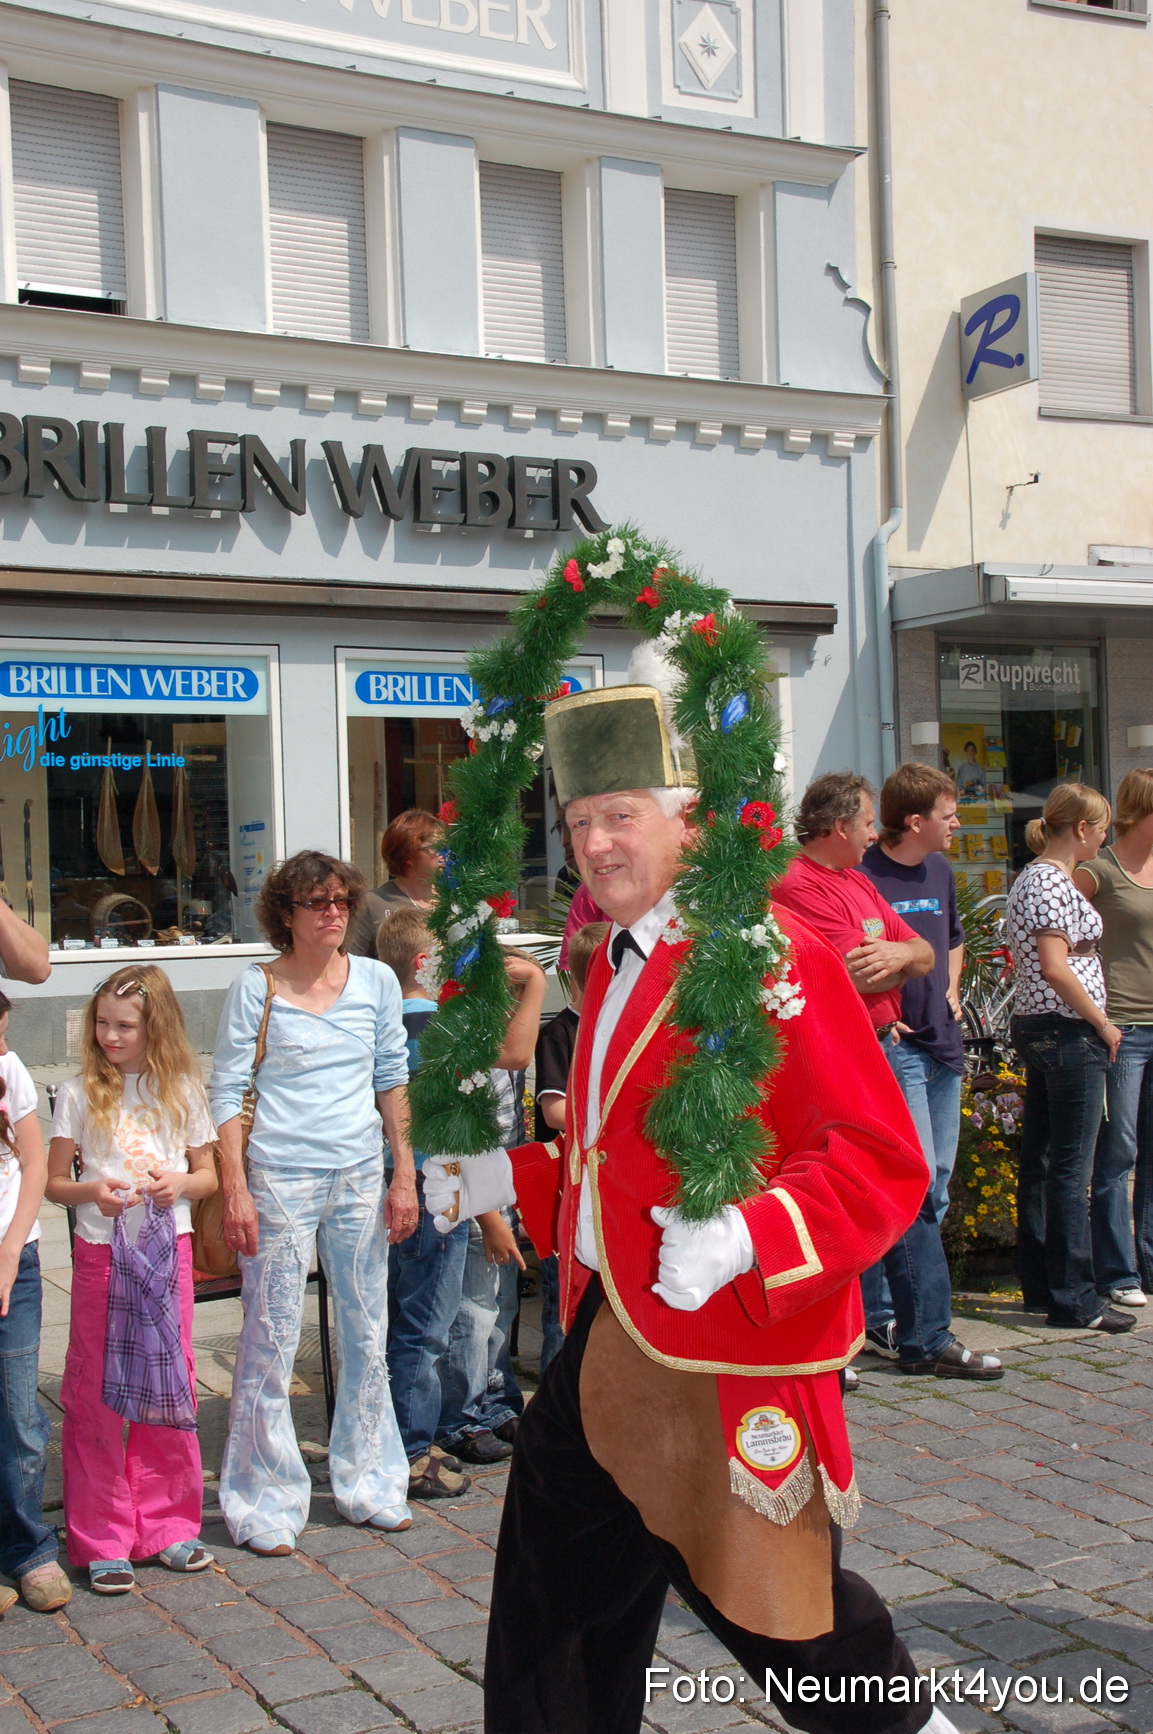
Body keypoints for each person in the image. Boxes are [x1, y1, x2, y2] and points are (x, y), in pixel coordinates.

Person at [423, 679, 955, 1734]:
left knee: (793, 1625)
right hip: (602, 1343)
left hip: (722, 1360)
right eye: (578, 820)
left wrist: (750, 1232)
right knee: (549, 1621)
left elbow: (877, 1156)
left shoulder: (768, 955)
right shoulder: (615, 964)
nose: (595, 843)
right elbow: (606, 1159)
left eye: (621, 813)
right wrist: (502, 1179)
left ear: (690, 821)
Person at [211, 852, 419, 1555]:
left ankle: (370, 1483)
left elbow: (392, 1076)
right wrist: (234, 1187)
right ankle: (263, 1500)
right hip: (279, 1176)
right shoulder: (257, 986)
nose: (332, 912)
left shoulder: (376, 981)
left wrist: (404, 1174)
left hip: (360, 1171)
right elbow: (228, 1093)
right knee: (268, 1339)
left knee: (367, 1332)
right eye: (316, 902)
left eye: (340, 900)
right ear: (286, 914)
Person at [774, 771, 1001, 1380]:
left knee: (907, 1189)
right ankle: (913, 1335)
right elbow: (853, 974)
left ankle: (899, 1332)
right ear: (840, 827)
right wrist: (903, 959)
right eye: (869, 822)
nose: (875, 833)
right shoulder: (800, 884)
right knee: (902, 1189)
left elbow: (920, 954)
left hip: (882, 1044)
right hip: (847, 1053)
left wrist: (903, 956)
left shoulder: (854, 879)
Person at [47, 966, 218, 1594]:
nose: (110, 1036)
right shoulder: (76, 1093)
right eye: (102, 1023)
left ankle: (169, 1525)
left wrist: (180, 1184)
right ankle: (100, 1535)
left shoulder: (182, 1091)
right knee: (93, 1391)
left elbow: (208, 1176)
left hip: (167, 1252)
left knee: (168, 1385)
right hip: (101, 1255)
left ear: (157, 1028)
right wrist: (91, 1190)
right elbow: (53, 1181)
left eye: (125, 1026)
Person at [1006, 783, 1131, 1333]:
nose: (1105, 838)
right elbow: (1056, 965)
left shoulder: (1038, 878)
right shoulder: (1050, 882)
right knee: (1068, 1167)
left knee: (1042, 1162)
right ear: (1081, 829)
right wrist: (1102, 1023)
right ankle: (1074, 1295)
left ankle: (1042, 1283)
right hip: (1067, 1031)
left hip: (1047, 1027)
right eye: (1102, 828)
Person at [435, 949, 546, 1466]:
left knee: (498, 1304)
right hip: (475, 1201)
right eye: (512, 996)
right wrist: (490, 1215)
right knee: (473, 1309)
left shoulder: (495, 1042)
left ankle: (496, 1397)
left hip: (499, 1195)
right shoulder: (468, 1048)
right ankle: (460, 1416)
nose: (517, 1011)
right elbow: (463, 1142)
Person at [858, 764, 965, 1224]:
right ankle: (889, 1299)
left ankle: (926, 1288)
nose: (957, 823)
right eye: (949, 815)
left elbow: (955, 938)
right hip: (898, 1045)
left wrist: (952, 988)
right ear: (915, 823)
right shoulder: (863, 874)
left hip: (944, 1040)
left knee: (940, 1174)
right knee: (913, 1176)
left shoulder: (940, 869)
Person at [0, 992, 70, 1615]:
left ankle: (27, 1548)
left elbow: (32, 1166)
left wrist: (7, 1250)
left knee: (20, 1416)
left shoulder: (10, 1069)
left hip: (12, 1266)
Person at [1078, 768, 1153, 1307]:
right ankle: (1116, 1271)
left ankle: (1147, 1262)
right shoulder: (1099, 871)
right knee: (1118, 1152)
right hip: (1122, 1026)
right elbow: (1055, 932)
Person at [532, 920, 609, 1372]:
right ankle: (555, 1393)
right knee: (563, 1303)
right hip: (564, 1191)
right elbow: (554, 1111)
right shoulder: (560, 1033)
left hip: (606, 1191)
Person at [346, 810, 443, 957]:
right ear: (408, 855)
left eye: (446, 847)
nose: (444, 855)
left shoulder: (455, 902)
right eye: (436, 848)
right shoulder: (372, 904)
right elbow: (354, 964)